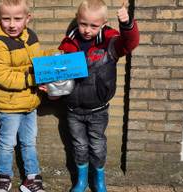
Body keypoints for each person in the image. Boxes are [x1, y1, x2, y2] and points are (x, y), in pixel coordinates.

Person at [40, 0, 139, 191]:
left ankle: (99, 180)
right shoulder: (68, 45)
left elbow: (130, 42)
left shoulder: (110, 43)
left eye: (93, 25)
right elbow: (62, 80)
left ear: (103, 23)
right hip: (73, 110)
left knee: (97, 146)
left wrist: (127, 25)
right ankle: (81, 181)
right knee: (79, 146)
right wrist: (53, 93)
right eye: (83, 24)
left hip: (98, 110)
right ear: (78, 20)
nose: (87, 29)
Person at [0, 0, 57, 191]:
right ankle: (4, 176)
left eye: (17, 19)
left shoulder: (30, 36)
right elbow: (2, 76)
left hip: (30, 103)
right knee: (8, 143)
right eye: (6, 19)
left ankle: (32, 177)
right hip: (8, 106)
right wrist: (33, 79)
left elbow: (37, 59)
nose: (11, 24)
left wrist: (57, 55)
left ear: (27, 18)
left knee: (29, 142)